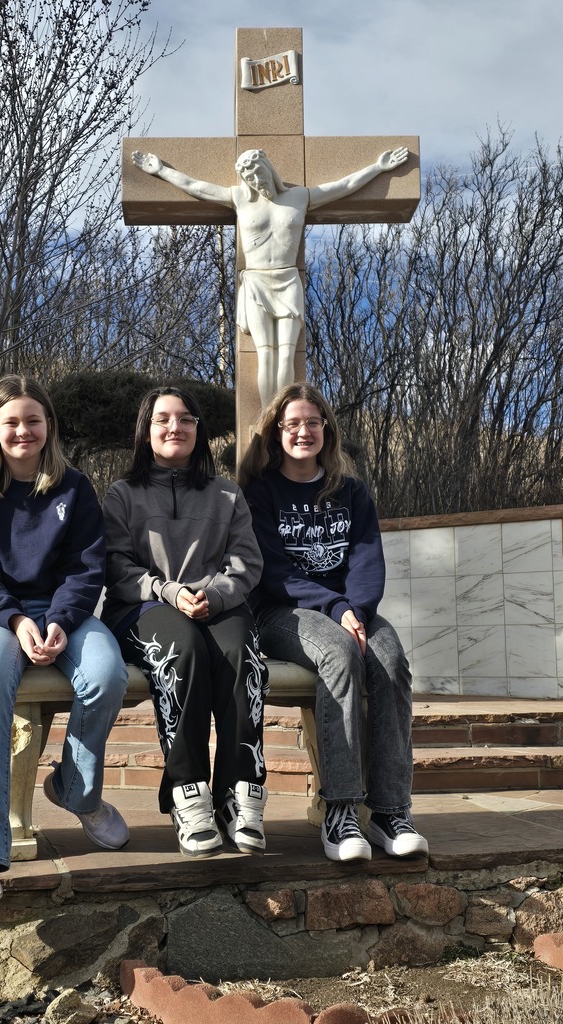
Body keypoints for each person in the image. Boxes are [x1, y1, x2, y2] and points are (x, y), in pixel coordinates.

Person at [0, 375, 129, 920]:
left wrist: (61, 620)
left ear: (48, 426)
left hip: (62, 613)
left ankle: (76, 792)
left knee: (107, 673)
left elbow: (85, 567)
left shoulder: (74, 488)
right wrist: (16, 619)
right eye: (11, 422)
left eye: (33, 420)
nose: (23, 430)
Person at [239, 382, 428, 862]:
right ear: (276, 432)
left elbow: (367, 561)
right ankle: (340, 809)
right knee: (339, 655)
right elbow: (273, 570)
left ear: (327, 428)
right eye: (293, 423)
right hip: (281, 611)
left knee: (391, 661)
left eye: (313, 422)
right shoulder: (259, 492)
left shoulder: (351, 491)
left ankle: (389, 811)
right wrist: (337, 609)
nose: (304, 431)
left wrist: (356, 610)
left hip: (352, 610)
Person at [101, 386, 269, 858]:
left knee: (245, 656)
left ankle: (241, 793)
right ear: (146, 429)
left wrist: (212, 596)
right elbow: (115, 567)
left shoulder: (226, 494)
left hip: (216, 606)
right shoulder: (121, 495)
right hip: (141, 607)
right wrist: (169, 591)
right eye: (162, 419)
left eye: (186, 419)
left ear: (199, 430)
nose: (175, 427)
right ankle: (188, 792)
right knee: (181, 649)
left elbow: (246, 561)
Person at [131, 146, 409, 406]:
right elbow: (195, 187)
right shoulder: (240, 197)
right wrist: (161, 171)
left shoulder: (300, 197)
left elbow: (344, 186)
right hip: (255, 282)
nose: (254, 179)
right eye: (247, 175)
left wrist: (377, 168)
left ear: (268, 168)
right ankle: (268, 418)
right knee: (265, 355)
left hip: (288, 281)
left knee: (286, 354)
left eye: (257, 171)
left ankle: (283, 414)